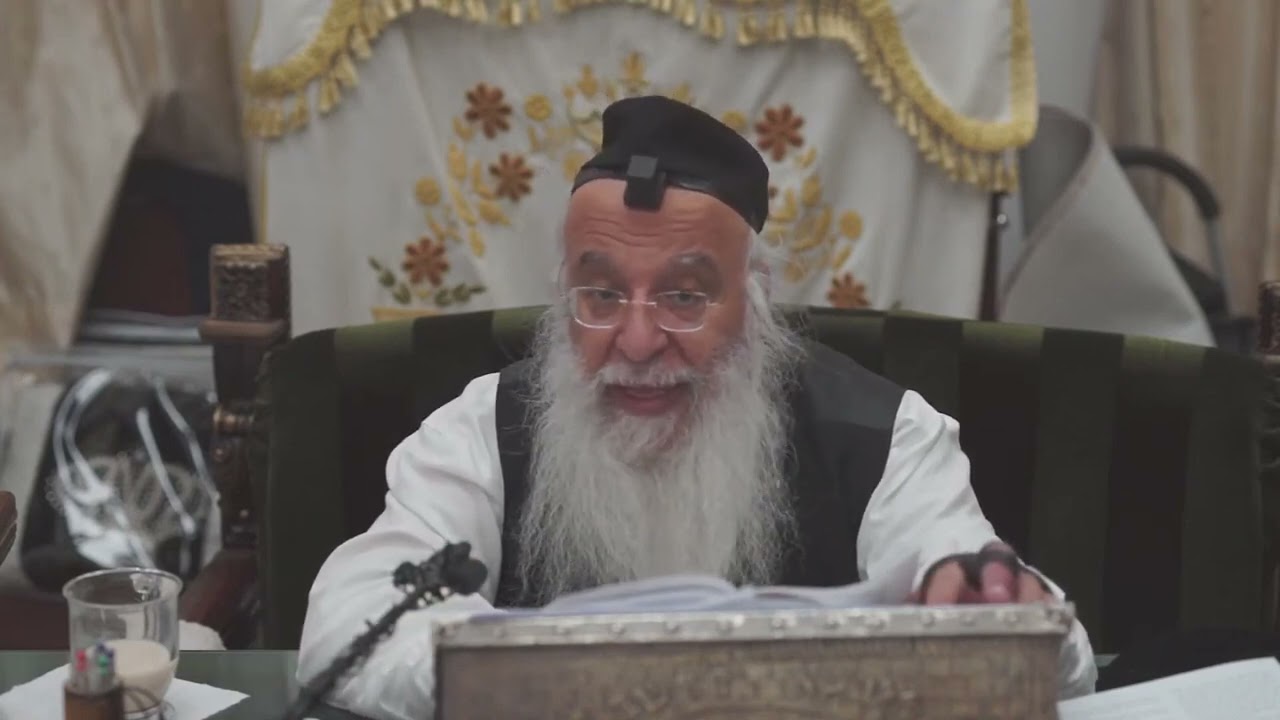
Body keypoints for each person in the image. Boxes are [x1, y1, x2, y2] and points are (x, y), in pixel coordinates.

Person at [296, 96, 1097, 720]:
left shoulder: (885, 436)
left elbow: (1056, 656)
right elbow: (350, 621)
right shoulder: (484, 428)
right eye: (602, 295)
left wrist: (992, 607)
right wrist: (560, 684)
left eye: (684, 296)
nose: (638, 341)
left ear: (754, 299)